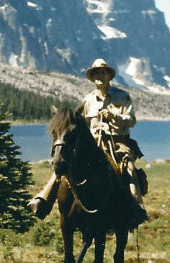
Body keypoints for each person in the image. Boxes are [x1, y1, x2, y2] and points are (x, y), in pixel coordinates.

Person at [28, 58, 149, 229]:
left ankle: (137, 207)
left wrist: (114, 117)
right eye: (96, 73)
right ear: (92, 78)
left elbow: (131, 120)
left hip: (118, 142)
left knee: (127, 166)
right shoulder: (88, 100)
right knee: (64, 164)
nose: (99, 76)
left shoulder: (122, 96)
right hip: (94, 145)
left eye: (102, 72)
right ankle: (43, 199)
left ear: (109, 75)